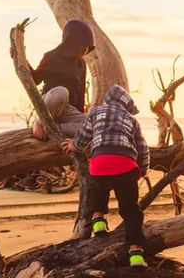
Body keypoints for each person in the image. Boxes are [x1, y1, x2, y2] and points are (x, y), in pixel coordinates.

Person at [62, 84, 150, 268]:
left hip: (100, 162)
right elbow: (142, 147)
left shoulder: (96, 112)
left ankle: (98, 221)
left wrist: (74, 145)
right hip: (126, 165)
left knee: (99, 192)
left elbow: (85, 134)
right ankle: (136, 253)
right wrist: (142, 169)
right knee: (130, 209)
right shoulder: (132, 120)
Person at [29, 19, 95, 140]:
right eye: (85, 47)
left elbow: (80, 93)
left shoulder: (81, 64)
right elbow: (34, 79)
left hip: (67, 110)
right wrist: (22, 60)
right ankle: (39, 122)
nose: (86, 51)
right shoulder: (51, 57)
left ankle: (56, 128)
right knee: (62, 92)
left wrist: (80, 115)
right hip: (51, 101)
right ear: (74, 42)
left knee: (94, 123)